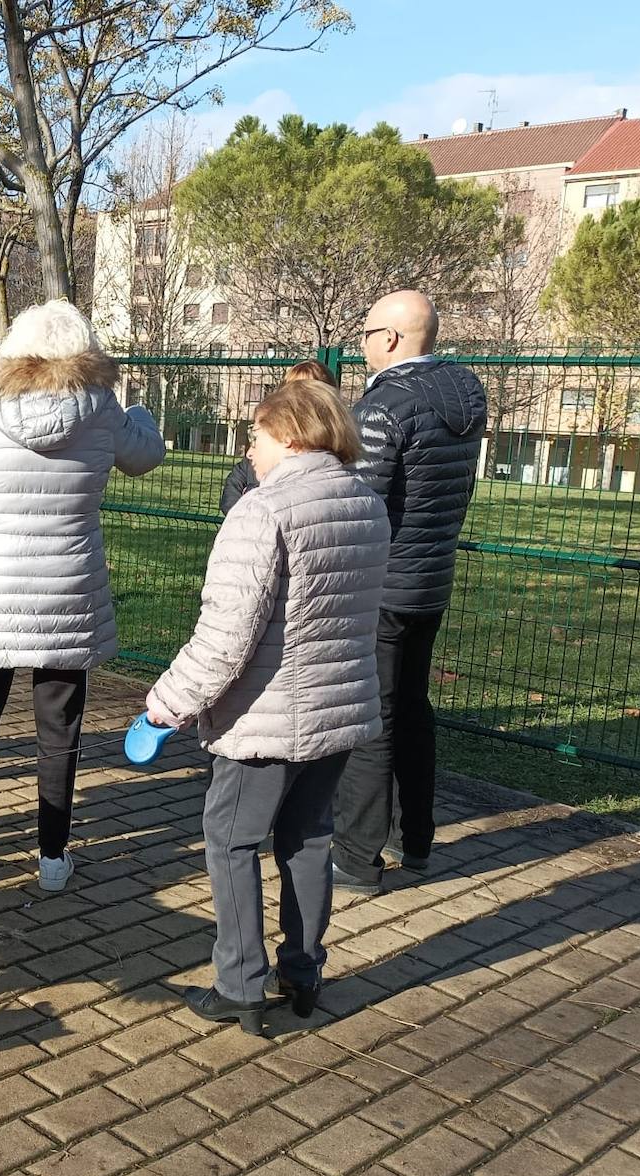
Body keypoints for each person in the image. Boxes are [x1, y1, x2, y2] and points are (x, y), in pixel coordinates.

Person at [146, 378, 389, 1033]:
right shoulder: (366, 503)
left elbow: (226, 635)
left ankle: (242, 984)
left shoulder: (261, 511)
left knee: (230, 840)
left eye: (254, 434)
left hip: (266, 720)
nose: (248, 449)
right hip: (339, 713)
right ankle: (303, 971)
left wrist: (165, 705)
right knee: (308, 840)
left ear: (289, 433)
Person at [0, 300, 165, 891]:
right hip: (70, 592)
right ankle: (53, 858)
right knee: (61, 729)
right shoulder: (102, 408)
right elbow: (147, 456)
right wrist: (143, 414)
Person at [333, 289, 487, 895]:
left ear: (391, 340)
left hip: (383, 586)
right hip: (431, 580)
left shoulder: (387, 405)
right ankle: (414, 839)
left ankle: (354, 857)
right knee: (412, 710)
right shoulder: (465, 395)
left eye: (367, 334)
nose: (364, 345)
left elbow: (357, 503)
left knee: (371, 717)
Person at [220, 359, 335, 514]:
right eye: (293, 389)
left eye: (309, 391)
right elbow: (234, 486)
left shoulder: (334, 455)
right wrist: (244, 513)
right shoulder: (264, 445)